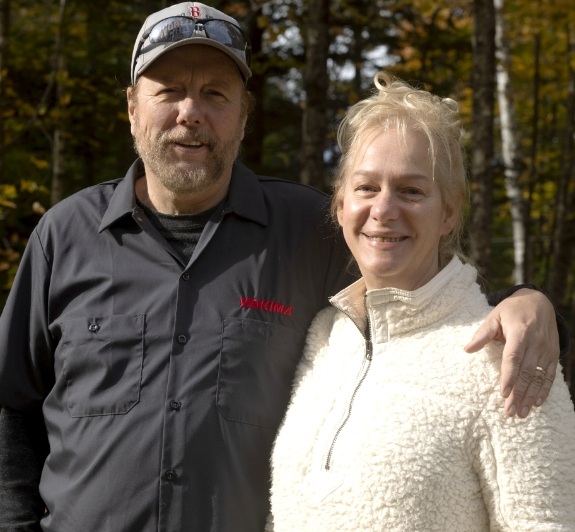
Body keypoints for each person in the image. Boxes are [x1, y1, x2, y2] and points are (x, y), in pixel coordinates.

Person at [0, 3, 565, 531]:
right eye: (169, 90)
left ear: (243, 115)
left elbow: (421, 282)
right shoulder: (65, 235)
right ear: (132, 108)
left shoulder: (308, 230)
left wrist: (526, 299)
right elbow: (11, 407)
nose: (190, 113)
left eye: (216, 94)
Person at [267, 72, 575, 531]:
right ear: (340, 204)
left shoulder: (507, 354)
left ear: (449, 211)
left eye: (411, 190)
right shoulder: (325, 337)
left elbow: (544, 523)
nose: (384, 209)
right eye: (366, 187)